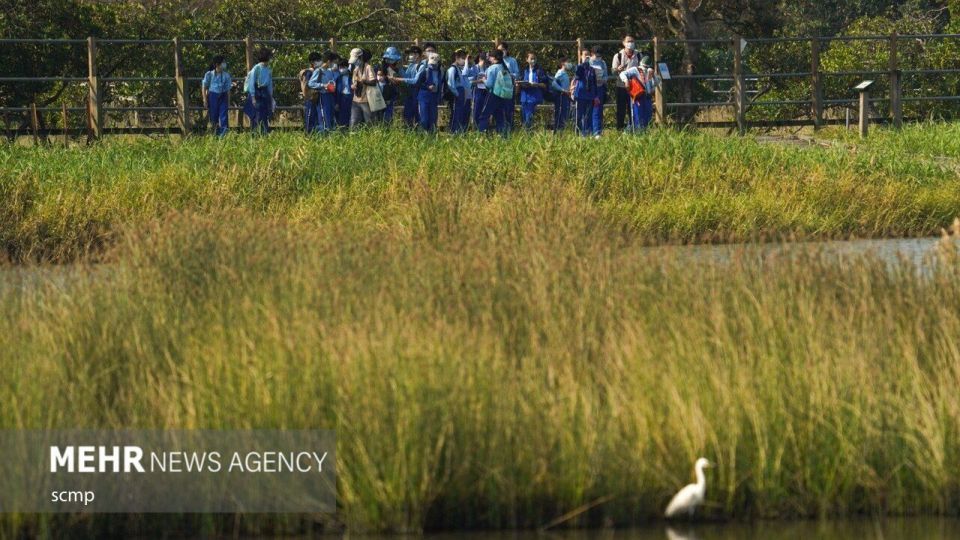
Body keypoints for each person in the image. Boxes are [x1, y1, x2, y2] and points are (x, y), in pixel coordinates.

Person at [394, 51, 443, 133]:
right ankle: (423, 134)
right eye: (431, 64)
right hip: (424, 96)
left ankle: (432, 135)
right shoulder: (425, 71)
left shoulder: (440, 72)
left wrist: (439, 96)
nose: (432, 65)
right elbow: (417, 83)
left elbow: (441, 84)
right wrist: (427, 87)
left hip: (434, 97)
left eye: (434, 64)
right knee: (423, 118)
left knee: (433, 118)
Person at [476, 49, 513, 136]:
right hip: (502, 95)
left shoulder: (492, 69)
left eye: (491, 57)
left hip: (493, 94)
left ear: (495, 58)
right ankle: (503, 136)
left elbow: (489, 84)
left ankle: (481, 134)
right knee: (499, 116)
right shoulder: (504, 67)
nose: (489, 58)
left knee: (484, 115)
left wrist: (483, 80)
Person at [611, 35, 642, 131]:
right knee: (621, 109)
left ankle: (633, 127)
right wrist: (617, 69)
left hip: (635, 86)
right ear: (623, 43)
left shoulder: (639, 55)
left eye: (632, 41)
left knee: (633, 108)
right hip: (621, 86)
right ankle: (619, 129)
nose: (631, 43)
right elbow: (613, 71)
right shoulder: (618, 55)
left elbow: (642, 69)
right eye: (628, 41)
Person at [619, 56, 657, 131]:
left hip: (647, 97)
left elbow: (654, 84)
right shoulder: (635, 69)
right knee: (637, 116)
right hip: (638, 96)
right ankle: (635, 132)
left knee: (647, 116)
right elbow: (622, 74)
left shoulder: (650, 72)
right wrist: (626, 81)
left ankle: (644, 132)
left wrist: (653, 76)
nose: (644, 69)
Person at [307, 51, 340, 133]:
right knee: (323, 117)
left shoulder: (329, 71)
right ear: (329, 61)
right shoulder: (319, 71)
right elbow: (311, 83)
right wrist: (323, 85)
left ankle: (329, 134)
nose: (333, 64)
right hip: (322, 96)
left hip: (330, 96)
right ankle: (323, 135)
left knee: (330, 116)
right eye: (332, 62)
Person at [244, 48, 274, 134]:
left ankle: (263, 133)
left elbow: (269, 84)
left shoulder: (268, 69)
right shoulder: (256, 68)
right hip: (257, 92)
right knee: (257, 114)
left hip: (265, 93)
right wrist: (253, 97)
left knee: (264, 114)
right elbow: (251, 83)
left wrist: (271, 96)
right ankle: (256, 133)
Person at [202, 54, 231, 137]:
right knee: (213, 117)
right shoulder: (209, 74)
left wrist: (228, 102)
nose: (224, 64)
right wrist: (205, 99)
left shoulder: (226, 75)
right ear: (217, 64)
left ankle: (224, 136)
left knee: (224, 117)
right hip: (212, 96)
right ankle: (215, 135)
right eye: (223, 62)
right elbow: (204, 87)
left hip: (223, 96)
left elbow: (228, 90)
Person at [571, 48, 598, 137]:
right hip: (580, 95)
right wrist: (582, 64)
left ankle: (587, 134)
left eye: (588, 55)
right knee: (579, 116)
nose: (586, 57)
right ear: (581, 57)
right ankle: (577, 134)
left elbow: (594, 83)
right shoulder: (579, 68)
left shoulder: (592, 70)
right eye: (584, 55)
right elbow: (577, 76)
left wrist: (596, 96)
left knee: (588, 116)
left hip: (590, 95)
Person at [518, 52, 548, 130]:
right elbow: (519, 81)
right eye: (531, 59)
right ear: (527, 60)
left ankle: (528, 134)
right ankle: (526, 135)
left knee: (529, 118)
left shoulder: (539, 71)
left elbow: (545, 84)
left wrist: (537, 84)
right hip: (524, 97)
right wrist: (520, 84)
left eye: (534, 58)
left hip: (534, 97)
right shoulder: (524, 70)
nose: (533, 60)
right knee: (524, 118)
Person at [350, 48, 377, 128]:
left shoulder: (368, 67)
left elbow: (373, 82)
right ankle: (352, 138)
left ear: (360, 58)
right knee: (353, 121)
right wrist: (353, 85)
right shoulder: (355, 69)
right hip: (356, 99)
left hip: (366, 100)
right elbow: (354, 82)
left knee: (369, 122)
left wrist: (363, 81)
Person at [376, 47, 403, 125]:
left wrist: (389, 77)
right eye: (388, 59)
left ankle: (387, 130)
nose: (390, 61)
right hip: (379, 95)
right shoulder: (378, 67)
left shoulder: (397, 70)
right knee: (378, 116)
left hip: (390, 97)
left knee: (388, 117)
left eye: (392, 59)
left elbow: (397, 83)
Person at [446, 49, 469, 133]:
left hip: (461, 92)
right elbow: (450, 84)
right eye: (462, 57)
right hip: (456, 93)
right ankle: (453, 131)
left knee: (460, 113)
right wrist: (456, 94)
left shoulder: (458, 68)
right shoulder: (452, 69)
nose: (463, 60)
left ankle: (458, 131)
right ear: (456, 57)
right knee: (455, 113)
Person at [497, 42, 520, 127]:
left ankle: (509, 128)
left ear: (506, 50)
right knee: (499, 109)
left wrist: (509, 75)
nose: (501, 51)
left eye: (502, 49)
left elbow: (517, 74)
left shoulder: (512, 60)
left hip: (509, 87)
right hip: (498, 88)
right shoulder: (496, 61)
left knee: (509, 108)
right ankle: (499, 128)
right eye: (499, 50)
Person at [300, 52, 323, 133]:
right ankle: (308, 134)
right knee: (310, 117)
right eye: (317, 60)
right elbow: (306, 87)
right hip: (310, 98)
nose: (320, 62)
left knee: (317, 118)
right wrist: (307, 96)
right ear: (312, 62)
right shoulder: (308, 72)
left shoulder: (318, 71)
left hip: (317, 97)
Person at [401, 46, 423, 127]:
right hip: (409, 92)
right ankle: (408, 132)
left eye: (411, 54)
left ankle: (419, 132)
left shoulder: (422, 66)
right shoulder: (411, 65)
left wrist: (400, 79)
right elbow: (406, 77)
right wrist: (400, 68)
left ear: (417, 55)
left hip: (418, 92)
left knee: (418, 114)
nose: (409, 56)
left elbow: (415, 80)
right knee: (408, 114)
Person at [588, 46, 609, 138]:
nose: (598, 57)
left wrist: (603, 80)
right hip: (589, 89)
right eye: (596, 55)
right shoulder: (587, 62)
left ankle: (597, 132)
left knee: (598, 110)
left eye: (600, 55)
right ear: (591, 54)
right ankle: (589, 131)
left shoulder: (603, 63)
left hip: (600, 87)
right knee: (588, 110)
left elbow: (606, 76)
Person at [550, 56, 573, 132]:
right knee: (559, 115)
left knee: (564, 115)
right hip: (561, 96)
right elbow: (553, 83)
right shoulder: (559, 73)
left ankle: (562, 133)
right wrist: (562, 90)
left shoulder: (565, 73)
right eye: (568, 62)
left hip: (566, 96)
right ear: (563, 63)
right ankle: (557, 133)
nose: (569, 64)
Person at [469, 51, 489, 129]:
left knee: (485, 110)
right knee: (477, 110)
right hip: (477, 91)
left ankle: (483, 128)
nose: (485, 62)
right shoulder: (475, 68)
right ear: (480, 59)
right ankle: (476, 127)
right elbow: (470, 82)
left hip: (486, 91)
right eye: (484, 60)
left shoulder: (488, 68)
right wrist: (480, 81)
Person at [335, 58, 353, 129]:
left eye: (343, 67)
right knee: (342, 116)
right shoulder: (338, 78)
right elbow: (336, 92)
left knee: (351, 115)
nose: (341, 69)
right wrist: (336, 102)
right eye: (340, 68)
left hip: (351, 97)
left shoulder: (352, 76)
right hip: (342, 98)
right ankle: (343, 131)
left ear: (347, 67)